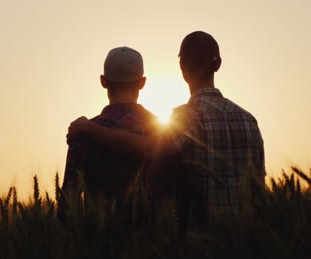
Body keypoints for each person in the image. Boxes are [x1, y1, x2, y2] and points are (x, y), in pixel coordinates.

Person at [67, 31, 266, 223]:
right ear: (218, 64)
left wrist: (90, 129)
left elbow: (148, 148)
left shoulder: (184, 119)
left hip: (197, 246)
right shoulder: (250, 121)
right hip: (245, 244)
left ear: (182, 66)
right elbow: (260, 190)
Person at [57, 47, 160, 221]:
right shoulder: (160, 129)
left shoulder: (82, 133)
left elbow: (67, 205)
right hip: (151, 244)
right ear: (142, 82)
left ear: (103, 81)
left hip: (98, 243)